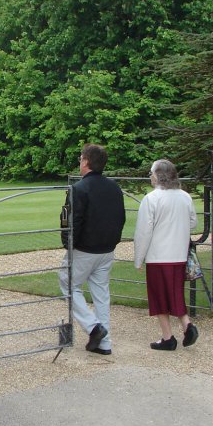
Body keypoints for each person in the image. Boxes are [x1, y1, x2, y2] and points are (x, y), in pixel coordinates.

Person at [59, 144, 126, 356]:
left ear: (86, 162)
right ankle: (104, 343)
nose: (80, 162)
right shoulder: (114, 187)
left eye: (81, 159)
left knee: (68, 283)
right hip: (107, 249)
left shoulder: (78, 189)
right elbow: (121, 218)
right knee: (101, 293)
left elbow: (72, 221)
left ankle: (93, 327)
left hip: (85, 249)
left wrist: (69, 245)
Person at [133, 159, 199, 351]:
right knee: (175, 292)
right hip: (179, 254)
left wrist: (138, 259)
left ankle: (168, 337)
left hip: (158, 256)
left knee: (159, 296)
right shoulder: (185, 197)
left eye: (152, 174)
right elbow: (193, 222)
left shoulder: (151, 199)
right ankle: (187, 325)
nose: (151, 177)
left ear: (159, 175)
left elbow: (143, 232)